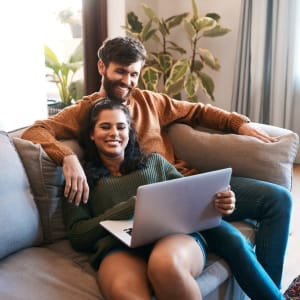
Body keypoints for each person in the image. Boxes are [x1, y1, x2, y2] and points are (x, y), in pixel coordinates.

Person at [22, 36, 292, 289]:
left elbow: (197, 112)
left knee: (278, 199)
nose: (127, 81)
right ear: (102, 67)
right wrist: (67, 157)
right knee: (231, 240)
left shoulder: (151, 101)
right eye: (121, 71)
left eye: (134, 74)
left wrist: (238, 124)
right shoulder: (85, 111)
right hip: (155, 210)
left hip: (187, 186)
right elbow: (35, 131)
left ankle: (274, 290)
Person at [62, 98, 284, 299]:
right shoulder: (81, 178)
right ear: (91, 133)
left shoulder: (154, 162)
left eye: (121, 127)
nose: (114, 133)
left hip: (172, 237)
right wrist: (131, 206)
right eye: (105, 127)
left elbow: (192, 198)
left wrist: (222, 204)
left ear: (129, 132)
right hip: (117, 247)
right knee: (125, 293)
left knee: (166, 266)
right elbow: (78, 235)